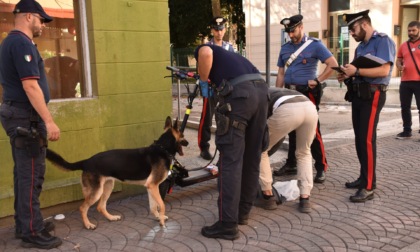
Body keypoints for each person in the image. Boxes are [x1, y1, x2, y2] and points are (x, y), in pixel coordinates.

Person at [0, 0, 62, 249]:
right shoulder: (20, 43)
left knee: (24, 172)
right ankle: (31, 231)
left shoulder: (11, 42)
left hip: (19, 114)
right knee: (31, 174)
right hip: (25, 117)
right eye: (41, 19)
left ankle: (26, 222)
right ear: (28, 17)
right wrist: (49, 120)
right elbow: (30, 85)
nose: (43, 25)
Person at [195, 44, 268, 240]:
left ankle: (227, 224)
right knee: (252, 158)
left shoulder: (207, 48)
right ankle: (242, 213)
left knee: (230, 162)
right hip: (262, 93)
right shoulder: (232, 57)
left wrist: (203, 82)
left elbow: (205, 53)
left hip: (240, 96)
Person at [337, 10, 395, 202]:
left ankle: (369, 185)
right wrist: (347, 74)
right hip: (359, 94)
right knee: (360, 139)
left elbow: (385, 69)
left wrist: (358, 70)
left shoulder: (382, 41)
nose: (351, 33)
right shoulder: (360, 47)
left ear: (364, 24)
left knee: (367, 140)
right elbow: (357, 71)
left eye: (353, 29)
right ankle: (364, 177)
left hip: (374, 94)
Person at [273, 14, 338, 184]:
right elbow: (281, 72)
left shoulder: (314, 45)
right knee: (291, 129)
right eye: (288, 32)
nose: (291, 35)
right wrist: (276, 95)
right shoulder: (285, 48)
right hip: (289, 92)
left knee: (313, 131)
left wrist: (318, 80)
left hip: (307, 93)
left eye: (293, 31)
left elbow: (333, 63)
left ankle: (321, 166)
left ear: (301, 27)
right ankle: (291, 164)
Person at [257, 87, 318, 212]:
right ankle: (305, 198)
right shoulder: (274, 90)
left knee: (260, 149)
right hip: (309, 107)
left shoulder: (257, 97)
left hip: (287, 110)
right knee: (304, 152)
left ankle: (267, 196)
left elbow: (257, 124)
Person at [198, 16, 234, 160]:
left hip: (225, 88)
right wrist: (204, 84)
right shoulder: (207, 47)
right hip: (211, 87)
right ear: (212, 30)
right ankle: (204, 147)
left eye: (221, 29)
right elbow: (201, 68)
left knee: (226, 118)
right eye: (216, 29)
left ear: (225, 30)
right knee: (207, 118)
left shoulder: (229, 47)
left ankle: (225, 146)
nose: (219, 32)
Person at [395, 21, 420, 139]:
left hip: (419, 81)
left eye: (413, 30)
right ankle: (406, 131)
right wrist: (399, 66)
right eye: (409, 30)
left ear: (419, 30)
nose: (411, 33)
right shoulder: (403, 45)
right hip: (405, 81)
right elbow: (398, 59)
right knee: (405, 107)